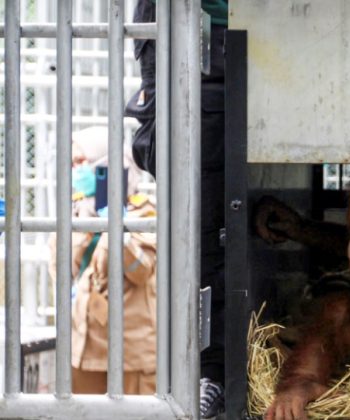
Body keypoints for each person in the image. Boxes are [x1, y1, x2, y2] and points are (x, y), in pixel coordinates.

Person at [125, 1, 228, 417]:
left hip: (250, 32)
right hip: (191, 33)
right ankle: (211, 371)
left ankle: (212, 370)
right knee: (200, 219)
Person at [49, 126, 158, 394]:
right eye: (72, 163)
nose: (76, 170)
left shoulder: (144, 213)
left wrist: (115, 228)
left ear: (107, 164)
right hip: (83, 349)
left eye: (82, 161)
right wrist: (83, 225)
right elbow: (59, 270)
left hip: (131, 353)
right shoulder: (74, 213)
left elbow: (141, 271)